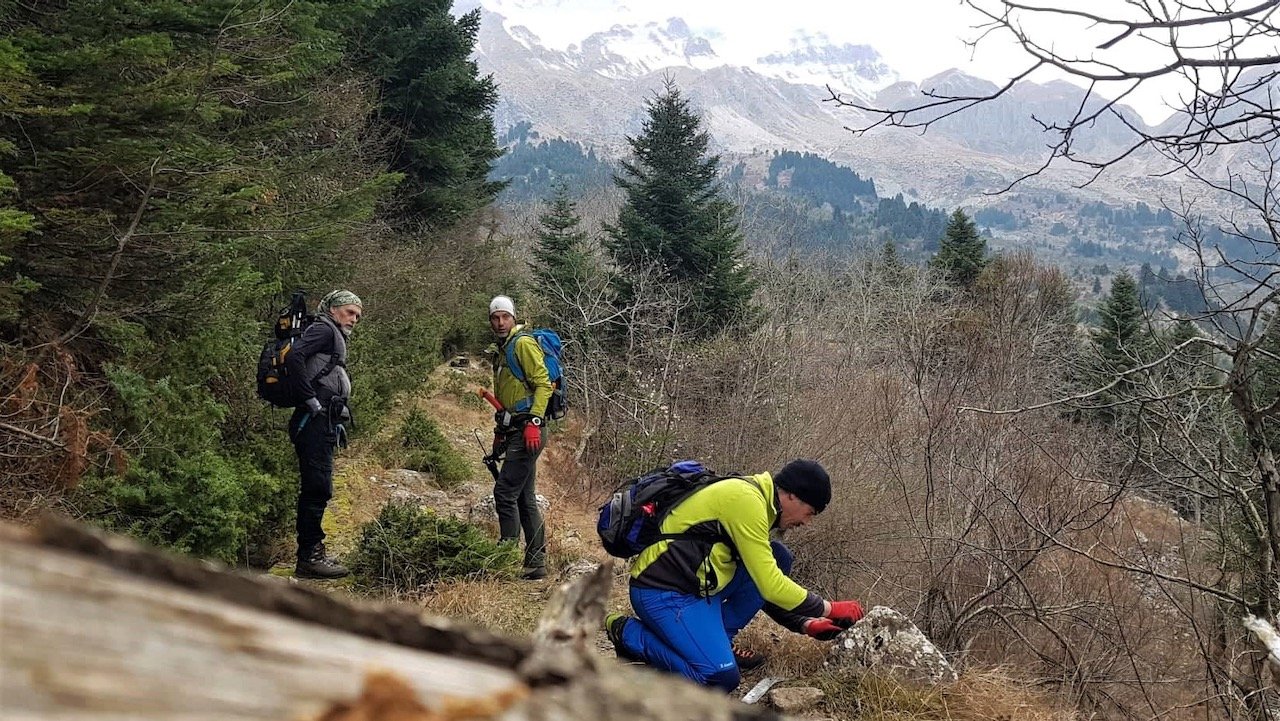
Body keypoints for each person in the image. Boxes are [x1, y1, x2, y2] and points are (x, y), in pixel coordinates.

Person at [603, 459, 865, 691]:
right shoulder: (746, 501)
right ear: (793, 496)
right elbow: (770, 585)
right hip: (662, 592)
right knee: (718, 679)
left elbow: (760, 581)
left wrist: (804, 623)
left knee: (779, 556)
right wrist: (829, 609)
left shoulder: (759, 501)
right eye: (810, 513)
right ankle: (627, 632)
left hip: (697, 589)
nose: (807, 523)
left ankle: (717, 644)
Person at [285, 289, 363, 579]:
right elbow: (294, 357)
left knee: (318, 485)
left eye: (357, 315)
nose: (354, 319)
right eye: (349, 312)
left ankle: (313, 551)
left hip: (323, 419)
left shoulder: (330, 332)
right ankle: (309, 557)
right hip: (314, 419)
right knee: (317, 487)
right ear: (333, 310)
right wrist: (311, 400)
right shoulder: (324, 329)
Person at [486, 295, 551, 581]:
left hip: (528, 432)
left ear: (514, 318)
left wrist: (534, 422)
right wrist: (500, 434)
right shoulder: (501, 350)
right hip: (514, 429)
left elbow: (543, 385)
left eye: (505, 317)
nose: (500, 322)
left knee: (505, 493)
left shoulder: (521, 344)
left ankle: (505, 556)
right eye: (495, 318)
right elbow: (506, 399)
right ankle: (536, 563)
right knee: (524, 497)